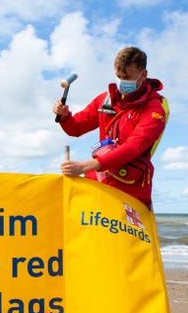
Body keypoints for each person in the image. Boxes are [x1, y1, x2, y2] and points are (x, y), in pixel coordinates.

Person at [53, 46, 168, 209]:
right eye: (118, 76)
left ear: (144, 75)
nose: (121, 82)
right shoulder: (104, 100)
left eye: (126, 77)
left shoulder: (155, 110)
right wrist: (65, 116)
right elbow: (76, 128)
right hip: (98, 184)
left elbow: (134, 147)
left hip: (131, 191)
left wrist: (83, 167)